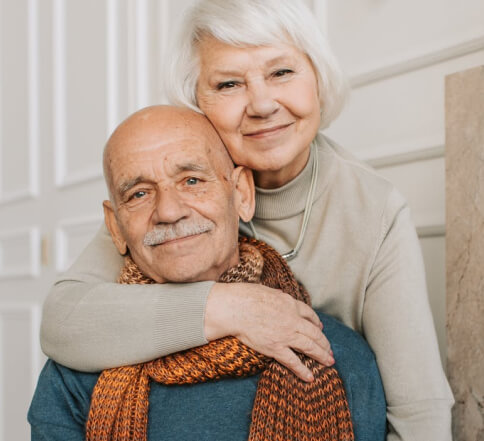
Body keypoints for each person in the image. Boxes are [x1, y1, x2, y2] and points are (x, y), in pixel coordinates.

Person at [40, 0, 454, 439]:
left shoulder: (376, 210)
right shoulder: (171, 204)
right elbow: (64, 320)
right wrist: (228, 306)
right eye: (229, 83)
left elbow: (419, 414)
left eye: (281, 72)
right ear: (195, 101)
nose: (261, 104)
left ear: (318, 78)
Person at [29, 105, 386, 441]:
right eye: (139, 193)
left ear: (242, 193)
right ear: (115, 226)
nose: (168, 211)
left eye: (192, 181)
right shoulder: (76, 369)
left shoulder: (336, 355)